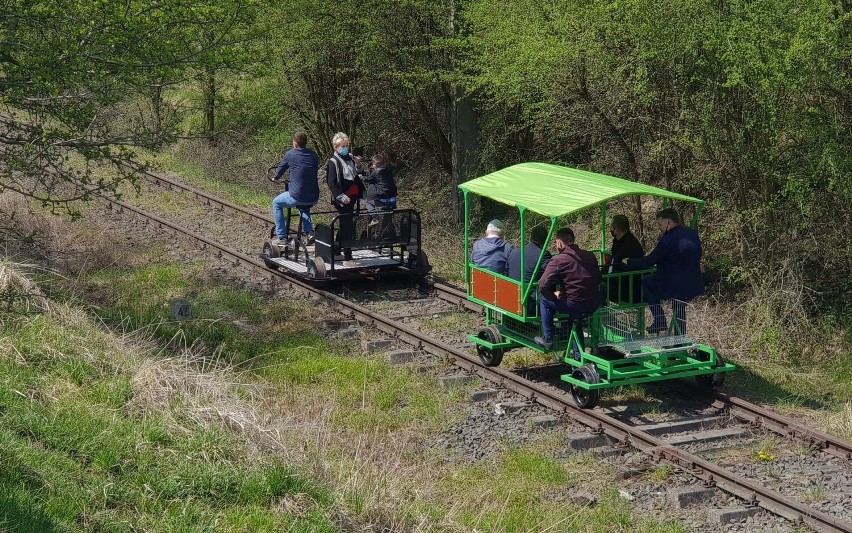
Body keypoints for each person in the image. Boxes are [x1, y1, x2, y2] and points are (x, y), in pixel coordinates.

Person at [626, 208, 703, 333]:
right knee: (679, 306)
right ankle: (679, 339)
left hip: (674, 284)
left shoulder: (666, 240)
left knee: (647, 281)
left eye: (660, 224)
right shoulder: (692, 233)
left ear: (669, 223)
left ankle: (660, 320)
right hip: (694, 282)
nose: (659, 228)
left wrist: (630, 262)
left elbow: (650, 261)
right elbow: (698, 253)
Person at [534, 228, 601, 350]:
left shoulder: (558, 260)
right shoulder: (590, 256)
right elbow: (599, 278)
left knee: (544, 300)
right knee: (575, 322)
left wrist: (553, 296)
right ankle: (577, 357)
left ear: (559, 243)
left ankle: (548, 339)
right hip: (594, 303)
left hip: (574, 304)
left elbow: (543, 284)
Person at [270, 132, 319, 244]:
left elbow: (281, 169)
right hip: (314, 196)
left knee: (276, 203)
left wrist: (275, 178)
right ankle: (309, 232)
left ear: (295, 143)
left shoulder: (290, 154)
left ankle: (281, 236)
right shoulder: (313, 155)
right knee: (303, 205)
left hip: (297, 195)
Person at [326, 132, 364, 261]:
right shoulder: (333, 162)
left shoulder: (350, 158)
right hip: (342, 198)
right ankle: (347, 254)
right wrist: (341, 197)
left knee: (346, 224)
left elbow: (358, 173)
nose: (345, 148)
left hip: (353, 197)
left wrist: (358, 164)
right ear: (336, 147)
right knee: (347, 225)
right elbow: (331, 183)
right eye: (342, 146)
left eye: (346, 145)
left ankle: (336, 247)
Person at [507, 226, 552, 315]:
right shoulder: (543, 255)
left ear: (530, 237)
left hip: (511, 296)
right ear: (545, 240)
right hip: (530, 301)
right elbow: (553, 273)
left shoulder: (515, 252)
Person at [604, 214, 645, 303]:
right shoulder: (619, 242)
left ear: (617, 230)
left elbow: (626, 270)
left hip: (628, 289)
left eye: (611, 227)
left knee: (598, 288)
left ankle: (598, 316)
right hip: (616, 281)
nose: (610, 230)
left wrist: (608, 278)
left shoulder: (630, 245)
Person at [362, 153, 397, 225]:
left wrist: (360, 177)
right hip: (392, 200)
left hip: (382, 199)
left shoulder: (375, 173)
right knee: (387, 217)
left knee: (369, 202)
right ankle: (388, 227)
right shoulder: (389, 172)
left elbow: (368, 179)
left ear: (375, 164)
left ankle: (375, 218)